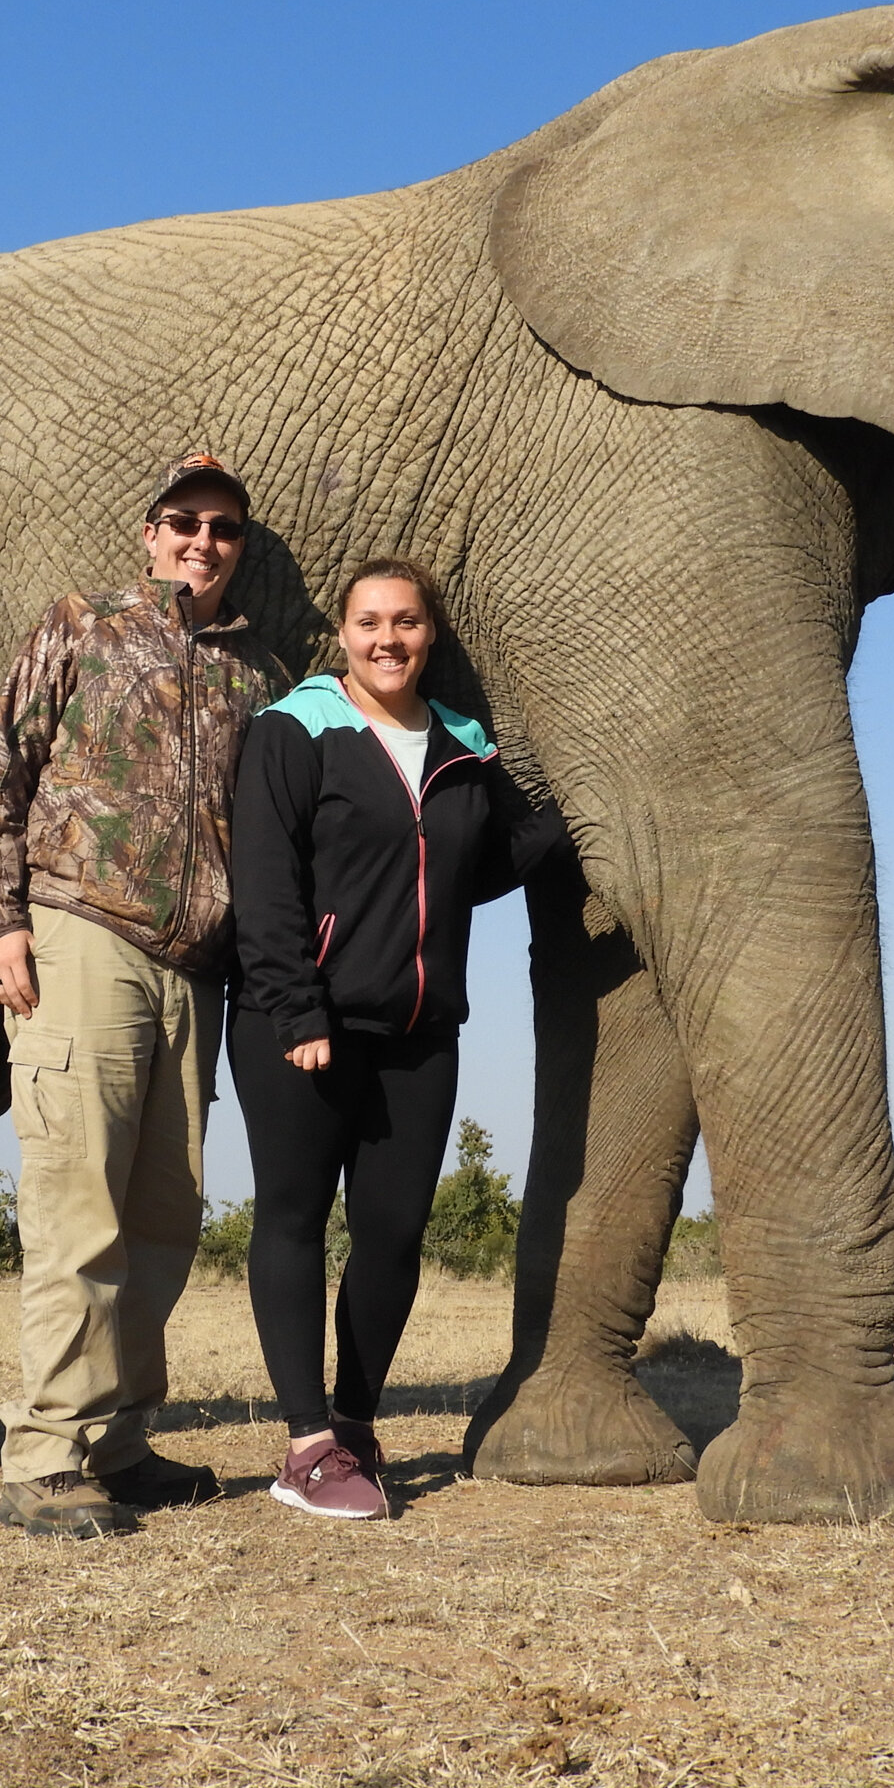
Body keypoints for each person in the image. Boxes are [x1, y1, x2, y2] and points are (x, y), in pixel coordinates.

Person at [0, 452, 289, 1538]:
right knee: (77, 1207)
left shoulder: (263, 676)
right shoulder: (80, 623)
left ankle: (117, 1440)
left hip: (200, 970)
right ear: (148, 532)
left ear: (242, 547)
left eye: (224, 528)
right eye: (183, 521)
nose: (202, 540)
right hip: (81, 938)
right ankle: (47, 1458)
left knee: (162, 1217)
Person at [227, 560, 565, 1518]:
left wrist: (572, 825)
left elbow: (481, 863)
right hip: (300, 1025)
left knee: (394, 1235)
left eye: (406, 623)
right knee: (293, 1220)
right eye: (370, 622)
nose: (388, 639)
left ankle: (354, 1425)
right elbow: (265, 881)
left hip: (420, 1028)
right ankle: (304, 1449)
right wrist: (297, 1011)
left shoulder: (462, 744)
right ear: (342, 634)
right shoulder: (296, 730)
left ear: (431, 635)